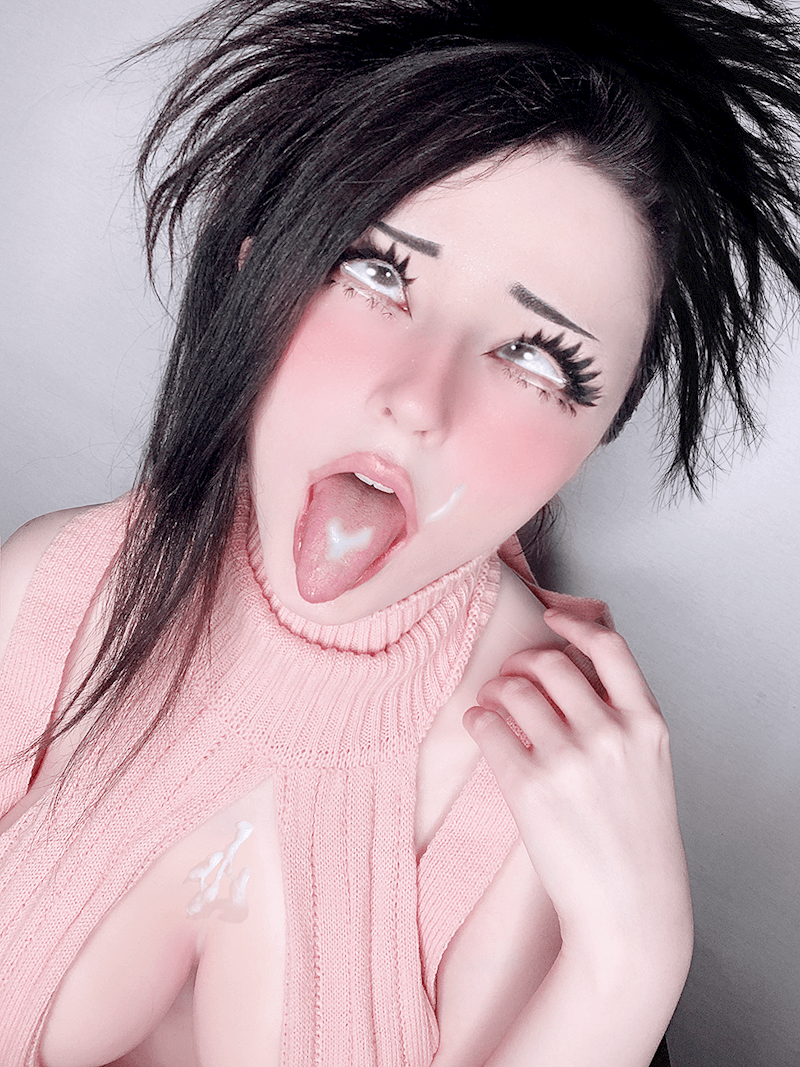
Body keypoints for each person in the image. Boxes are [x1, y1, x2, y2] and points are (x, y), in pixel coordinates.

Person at [2, 1, 800, 1064]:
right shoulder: (51, 595)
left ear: (597, 431)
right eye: (377, 272)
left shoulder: (534, 777)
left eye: (538, 357)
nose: (419, 399)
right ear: (254, 264)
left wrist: (631, 960)